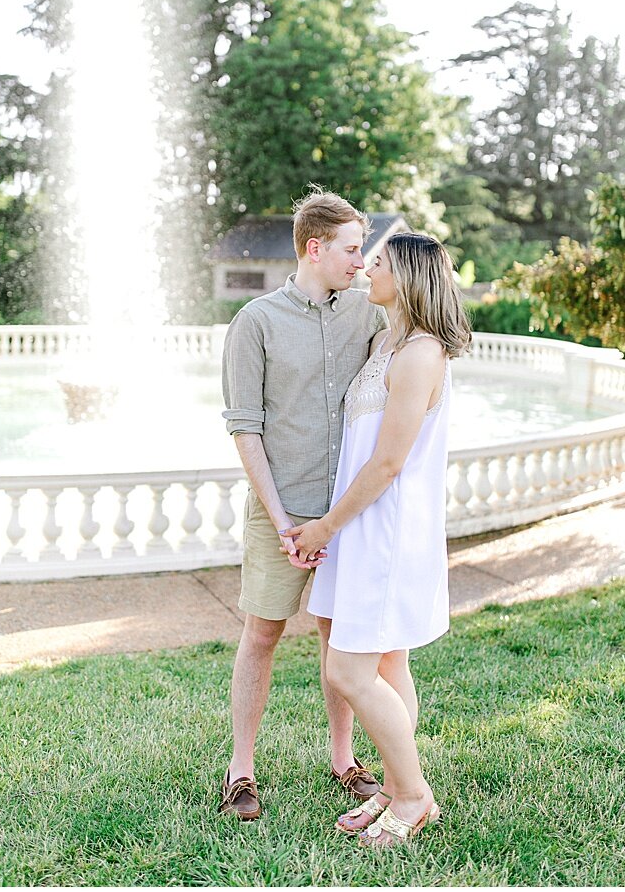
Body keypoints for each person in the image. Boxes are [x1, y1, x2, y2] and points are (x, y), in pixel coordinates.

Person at [287, 232, 471, 847]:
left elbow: (389, 462)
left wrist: (325, 528)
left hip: (387, 533)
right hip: (365, 531)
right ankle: (395, 788)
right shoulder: (389, 342)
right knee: (389, 664)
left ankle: (415, 796)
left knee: (348, 668)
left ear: (411, 275)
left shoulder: (420, 353)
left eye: (382, 261)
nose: (368, 266)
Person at [218, 190, 388, 821]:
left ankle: (345, 761)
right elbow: (245, 427)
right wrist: (284, 518)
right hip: (278, 510)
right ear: (314, 248)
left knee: (337, 636)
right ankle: (241, 771)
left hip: (346, 512)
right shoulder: (254, 322)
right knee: (261, 633)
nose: (360, 262)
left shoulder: (367, 315)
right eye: (351, 249)